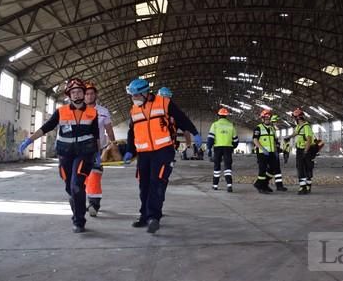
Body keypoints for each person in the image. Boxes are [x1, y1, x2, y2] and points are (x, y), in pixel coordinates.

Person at [18, 78, 100, 233]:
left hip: (84, 154)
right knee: (70, 188)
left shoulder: (92, 113)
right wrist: (29, 140)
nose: (76, 95)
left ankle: (79, 221)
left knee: (77, 185)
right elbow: (46, 127)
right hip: (65, 155)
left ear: (84, 93)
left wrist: (98, 153)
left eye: (79, 92)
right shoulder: (61, 112)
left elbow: (95, 134)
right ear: (69, 95)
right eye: (73, 92)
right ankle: (77, 210)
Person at [124, 78, 201, 233]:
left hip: (163, 151)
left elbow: (181, 118)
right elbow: (132, 133)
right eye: (132, 96)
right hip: (144, 154)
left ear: (145, 93)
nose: (134, 99)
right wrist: (129, 150)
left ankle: (153, 217)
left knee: (156, 183)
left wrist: (194, 132)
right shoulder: (134, 110)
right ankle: (144, 216)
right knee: (143, 185)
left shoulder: (163, 103)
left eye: (136, 95)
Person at [83, 81, 117, 217]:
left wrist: (113, 145)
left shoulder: (103, 112)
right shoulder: (78, 111)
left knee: (95, 176)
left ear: (96, 95)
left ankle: (94, 204)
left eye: (92, 94)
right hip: (80, 150)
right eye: (87, 94)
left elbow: (109, 129)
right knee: (83, 178)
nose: (89, 96)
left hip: (98, 150)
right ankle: (88, 200)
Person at [252, 109, 287, 193]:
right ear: (262, 119)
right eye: (266, 118)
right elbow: (255, 140)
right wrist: (262, 149)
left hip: (271, 152)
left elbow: (275, 140)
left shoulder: (272, 129)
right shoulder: (258, 128)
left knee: (272, 169)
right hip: (262, 153)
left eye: (268, 118)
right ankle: (262, 187)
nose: (267, 120)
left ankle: (260, 183)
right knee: (262, 170)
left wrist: (276, 150)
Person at [206, 108, 239, 192]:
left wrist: (209, 148)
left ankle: (215, 185)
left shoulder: (215, 124)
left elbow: (210, 138)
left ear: (218, 116)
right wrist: (233, 147)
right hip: (228, 148)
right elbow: (235, 140)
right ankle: (229, 185)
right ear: (226, 116)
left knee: (217, 166)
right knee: (228, 167)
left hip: (217, 148)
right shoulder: (231, 125)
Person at [290, 108, 314, 195]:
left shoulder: (306, 127)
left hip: (305, 150)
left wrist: (305, 151)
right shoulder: (298, 127)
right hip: (300, 149)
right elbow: (295, 133)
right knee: (301, 168)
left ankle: (304, 187)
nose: (293, 120)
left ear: (298, 118)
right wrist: (288, 137)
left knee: (306, 168)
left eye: (294, 118)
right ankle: (305, 187)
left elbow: (309, 139)